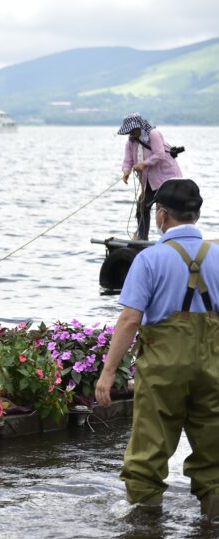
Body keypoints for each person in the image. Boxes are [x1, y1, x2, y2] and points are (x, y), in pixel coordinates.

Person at [95, 178, 219, 515]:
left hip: (163, 369)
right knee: (214, 453)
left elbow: (130, 320)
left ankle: (144, 527)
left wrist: (107, 375)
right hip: (213, 368)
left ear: (161, 215)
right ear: (196, 213)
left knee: (148, 451)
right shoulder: (218, 256)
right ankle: (212, 524)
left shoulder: (150, 259)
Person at [118, 113, 182, 240]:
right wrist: (126, 172)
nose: (131, 132)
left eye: (133, 129)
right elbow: (128, 161)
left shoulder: (153, 134)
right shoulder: (130, 142)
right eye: (129, 130)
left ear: (139, 126)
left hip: (166, 179)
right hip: (148, 181)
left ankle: (168, 239)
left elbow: (159, 155)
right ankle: (142, 238)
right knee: (142, 207)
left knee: (163, 210)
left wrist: (144, 164)